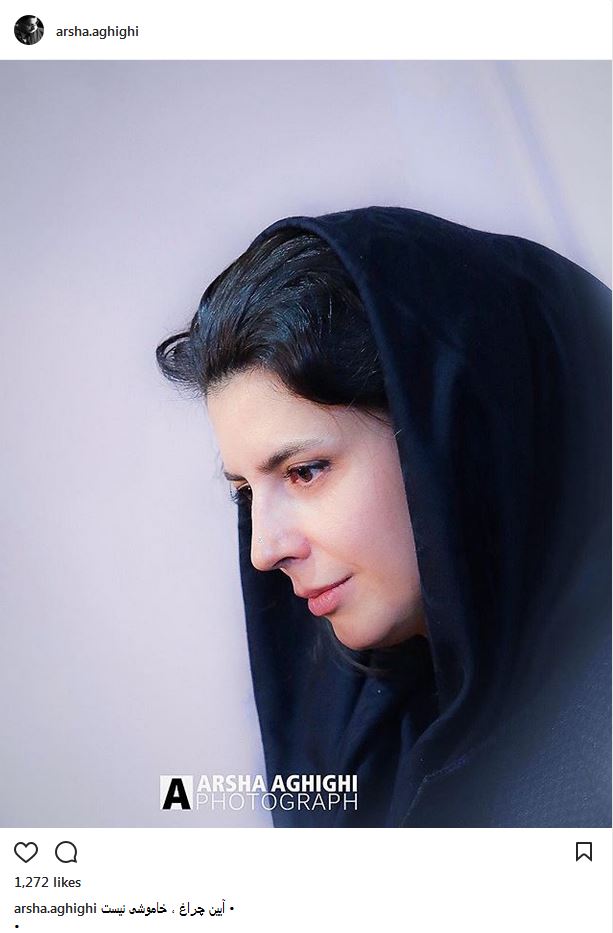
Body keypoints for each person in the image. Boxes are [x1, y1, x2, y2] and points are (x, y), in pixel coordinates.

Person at [156, 206, 611, 827]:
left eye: (304, 471)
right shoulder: (376, 744)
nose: (263, 551)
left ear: (457, 436)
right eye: (244, 493)